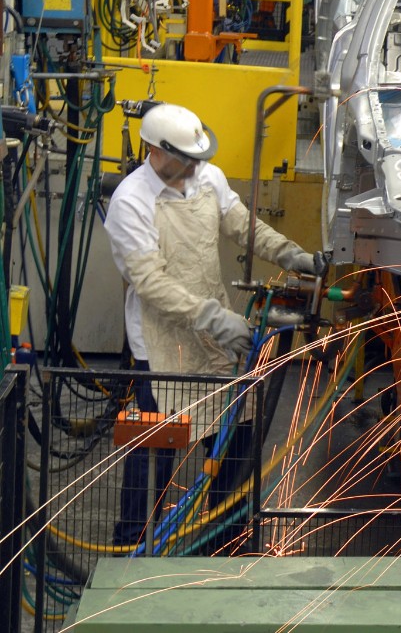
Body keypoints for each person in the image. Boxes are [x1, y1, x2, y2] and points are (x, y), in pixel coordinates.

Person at [106, 102, 316, 550]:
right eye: (185, 159)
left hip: (215, 344)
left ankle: (224, 543)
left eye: (197, 158)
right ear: (154, 152)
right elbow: (149, 283)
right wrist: (213, 319)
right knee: (155, 455)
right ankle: (132, 549)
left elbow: (243, 226)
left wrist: (290, 254)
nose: (194, 168)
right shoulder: (130, 202)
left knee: (234, 444)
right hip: (160, 348)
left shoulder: (207, 178)